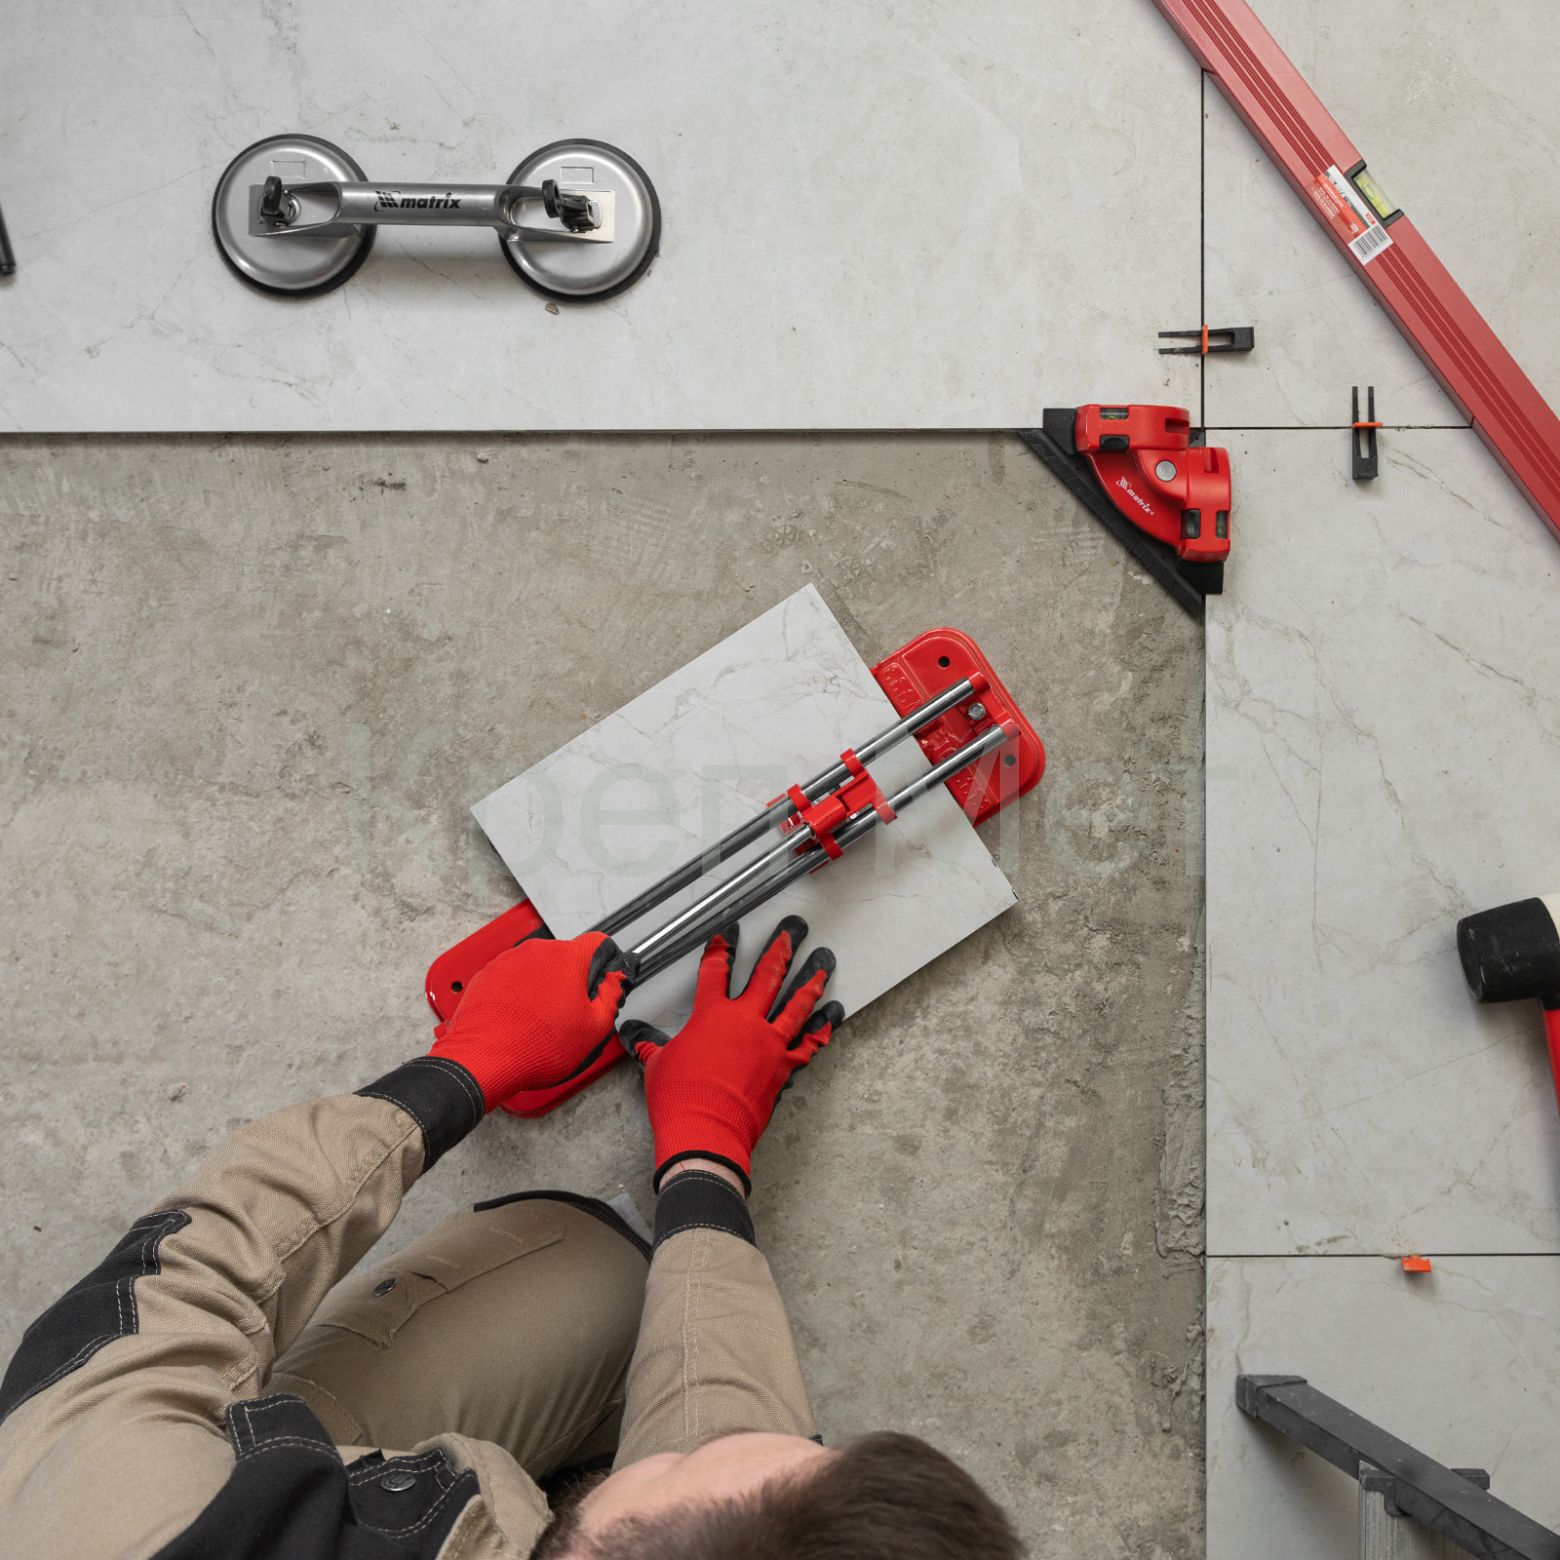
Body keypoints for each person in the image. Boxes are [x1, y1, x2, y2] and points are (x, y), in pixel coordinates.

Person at [0, 915, 1023, 1559]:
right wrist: (706, 1161)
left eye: (675, 1464)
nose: (751, 1431)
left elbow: (163, 1294)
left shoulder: (130, 1525)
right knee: (604, 1279)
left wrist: (460, 1070)